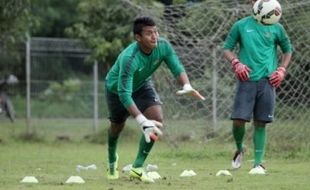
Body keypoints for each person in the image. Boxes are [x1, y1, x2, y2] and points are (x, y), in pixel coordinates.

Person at [104, 16, 205, 183]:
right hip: (116, 90)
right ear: (138, 37)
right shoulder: (129, 59)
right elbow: (124, 94)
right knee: (116, 127)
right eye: (149, 33)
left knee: (156, 120)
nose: (155, 36)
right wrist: (141, 120)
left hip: (143, 85)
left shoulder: (163, 46)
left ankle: (137, 167)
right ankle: (111, 160)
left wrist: (187, 85)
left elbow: (176, 66)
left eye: (156, 32)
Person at [222, 0, 293, 175]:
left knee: (261, 123)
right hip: (246, 80)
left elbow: (287, 50)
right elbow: (227, 48)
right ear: (252, 3)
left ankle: (258, 164)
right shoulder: (241, 25)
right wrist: (236, 62)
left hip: (268, 81)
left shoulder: (277, 27)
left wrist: (282, 70)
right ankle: (240, 149)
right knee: (239, 120)